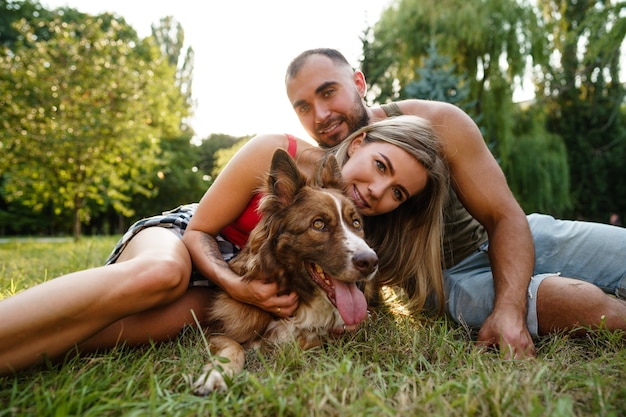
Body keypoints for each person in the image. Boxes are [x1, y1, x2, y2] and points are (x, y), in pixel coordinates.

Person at [0, 115, 448, 375]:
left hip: (236, 274)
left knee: (127, 329)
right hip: (186, 237)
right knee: (161, 275)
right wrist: (235, 286)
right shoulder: (280, 152)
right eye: (381, 167)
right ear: (363, 143)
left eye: (397, 193)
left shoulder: (356, 213)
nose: (376, 192)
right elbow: (198, 229)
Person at [283, 47, 626, 359]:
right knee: (582, 304)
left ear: (359, 83)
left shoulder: (438, 122)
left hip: (509, 239)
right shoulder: (312, 177)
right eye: (303, 107)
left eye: (329, 92)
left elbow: (503, 215)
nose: (322, 115)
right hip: (446, 280)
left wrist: (509, 307)